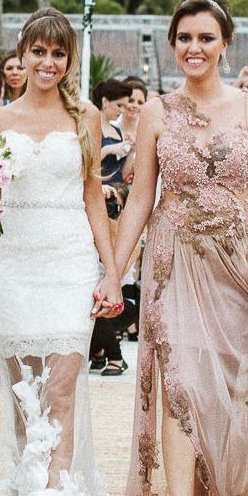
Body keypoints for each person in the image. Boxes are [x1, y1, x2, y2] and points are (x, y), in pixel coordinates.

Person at [112, 0, 248, 496]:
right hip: (175, 259)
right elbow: (141, 197)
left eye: (206, 38)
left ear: (225, 44)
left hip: (237, 259)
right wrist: (113, 272)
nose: (195, 47)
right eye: (185, 38)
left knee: (232, 383)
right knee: (180, 380)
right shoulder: (155, 112)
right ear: (172, 45)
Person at [0, 8, 123, 496]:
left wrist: (110, 271)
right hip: (15, 266)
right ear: (23, 54)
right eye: (39, 51)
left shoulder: (85, 117)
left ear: (68, 60)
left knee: (59, 387)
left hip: (68, 262)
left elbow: (92, 196)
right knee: (22, 393)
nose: (48, 62)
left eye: (58, 54)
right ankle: (27, 487)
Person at [90, 77, 133, 373]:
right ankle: (107, 350)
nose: (121, 111)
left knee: (107, 274)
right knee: (94, 279)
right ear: (104, 101)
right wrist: (108, 151)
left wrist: (132, 151)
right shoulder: (92, 123)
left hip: (114, 202)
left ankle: (106, 350)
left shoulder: (116, 129)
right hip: (96, 198)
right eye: (118, 105)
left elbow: (126, 172)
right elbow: (91, 164)